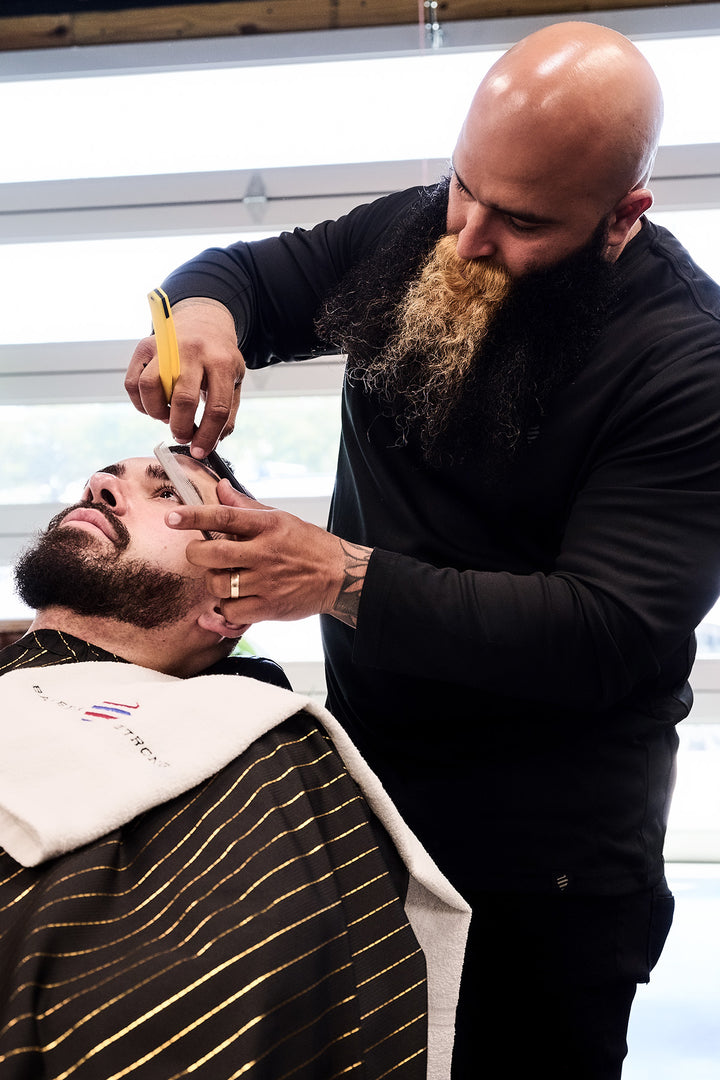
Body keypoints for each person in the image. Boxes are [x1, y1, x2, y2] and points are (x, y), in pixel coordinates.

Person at [125, 21, 720, 1078]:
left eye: (523, 221)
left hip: (549, 862)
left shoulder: (687, 364)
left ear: (624, 217)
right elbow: (240, 276)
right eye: (464, 188)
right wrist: (206, 314)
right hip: (375, 792)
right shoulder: (425, 228)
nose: (469, 239)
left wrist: (338, 575)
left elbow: (605, 631)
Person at [0, 449, 469, 1080]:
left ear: (234, 600)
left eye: (169, 495)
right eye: (107, 475)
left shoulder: (269, 754)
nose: (102, 486)